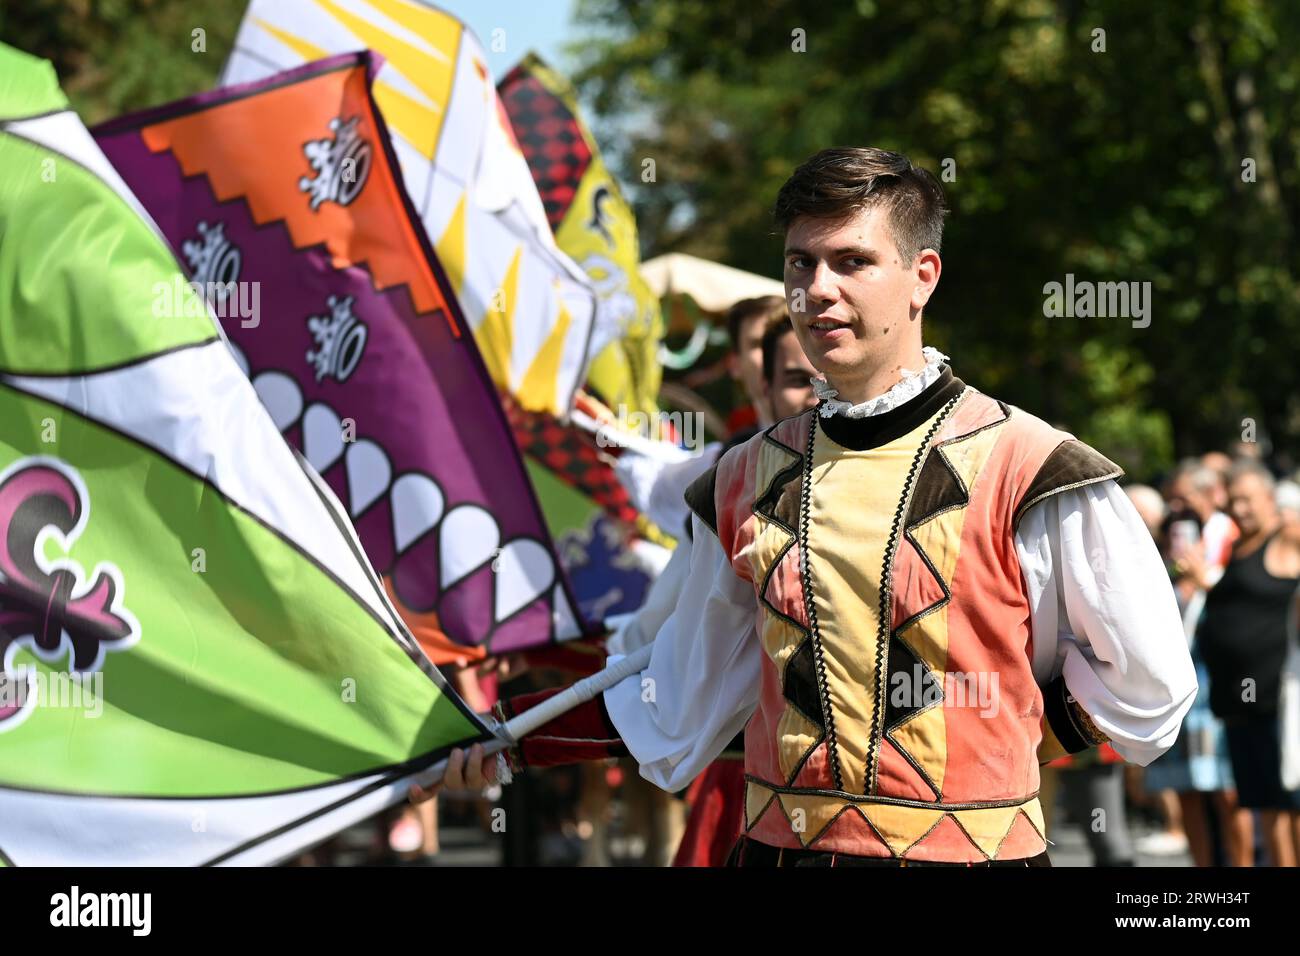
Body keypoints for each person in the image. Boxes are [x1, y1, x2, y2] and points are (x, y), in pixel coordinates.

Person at [422, 147, 1197, 867]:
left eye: (852, 261)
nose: (817, 288)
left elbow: (1149, 684)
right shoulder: (741, 479)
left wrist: (1009, 743)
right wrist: (510, 739)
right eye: (802, 262)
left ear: (923, 275)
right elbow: (673, 691)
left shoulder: (1032, 465)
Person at [670, 309, 819, 866]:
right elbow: (670, 657)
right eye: (797, 377)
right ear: (761, 381)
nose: (817, 391)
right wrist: (516, 737)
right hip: (754, 783)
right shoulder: (733, 482)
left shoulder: (958, 463)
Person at [1194, 460, 1300, 865]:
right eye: (1233, 500)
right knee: (1264, 806)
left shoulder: (1286, 537)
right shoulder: (1237, 548)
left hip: (1279, 701)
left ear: (1270, 500)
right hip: (1237, 706)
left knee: (1289, 803)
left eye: (1247, 500)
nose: (1239, 509)